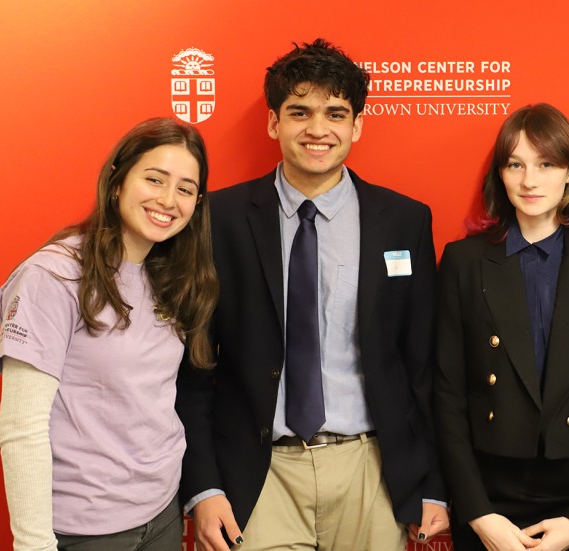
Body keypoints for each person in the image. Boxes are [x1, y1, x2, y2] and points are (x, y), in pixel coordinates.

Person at [176, 38, 448, 551]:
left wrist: (433, 484)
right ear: (274, 123)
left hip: (372, 472)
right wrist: (204, 485)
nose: (318, 129)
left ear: (357, 126)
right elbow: (194, 369)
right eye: (299, 112)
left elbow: (423, 365)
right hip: (258, 476)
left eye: (335, 113)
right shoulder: (218, 219)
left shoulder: (405, 220)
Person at [0, 117, 217, 550]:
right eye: (154, 179)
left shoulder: (172, 274)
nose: (168, 200)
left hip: (163, 514)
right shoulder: (53, 276)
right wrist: (34, 544)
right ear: (117, 181)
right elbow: (22, 426)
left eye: (186, 189)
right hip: (85, 530)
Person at [434, 103, 569, 551]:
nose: (530, 181)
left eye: (546, 164)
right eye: (516, 164)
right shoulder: (463, 262)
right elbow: (447, 394)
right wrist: (477, 513)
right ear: (500, 174)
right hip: (487, 502)